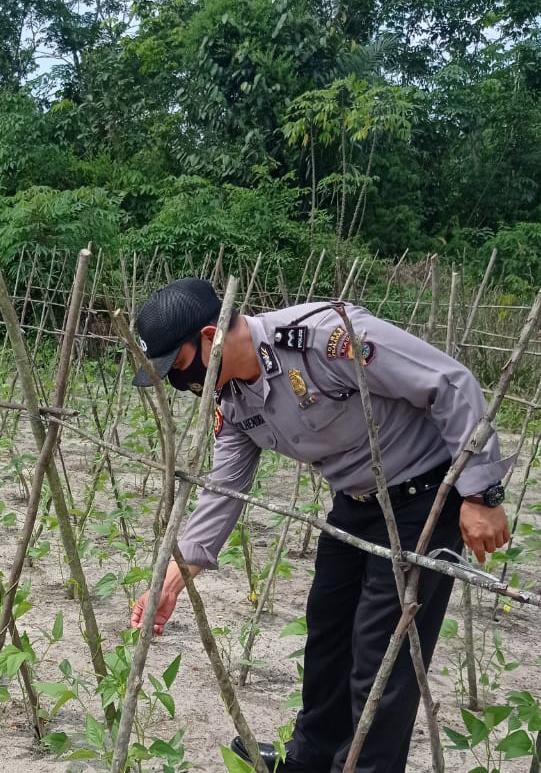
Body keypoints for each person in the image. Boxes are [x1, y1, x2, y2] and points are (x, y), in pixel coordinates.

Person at [128, 278, 511, 773]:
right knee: (327, 639)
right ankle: (308, 763)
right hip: (354, 504)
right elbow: (220, 494)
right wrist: (171, 585)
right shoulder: (236, 400)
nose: (181, 383)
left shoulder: (322, 341)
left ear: (210, 336)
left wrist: (481, 494)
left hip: (422, 502)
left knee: (380, 665)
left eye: (177, 366)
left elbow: (450, 382)